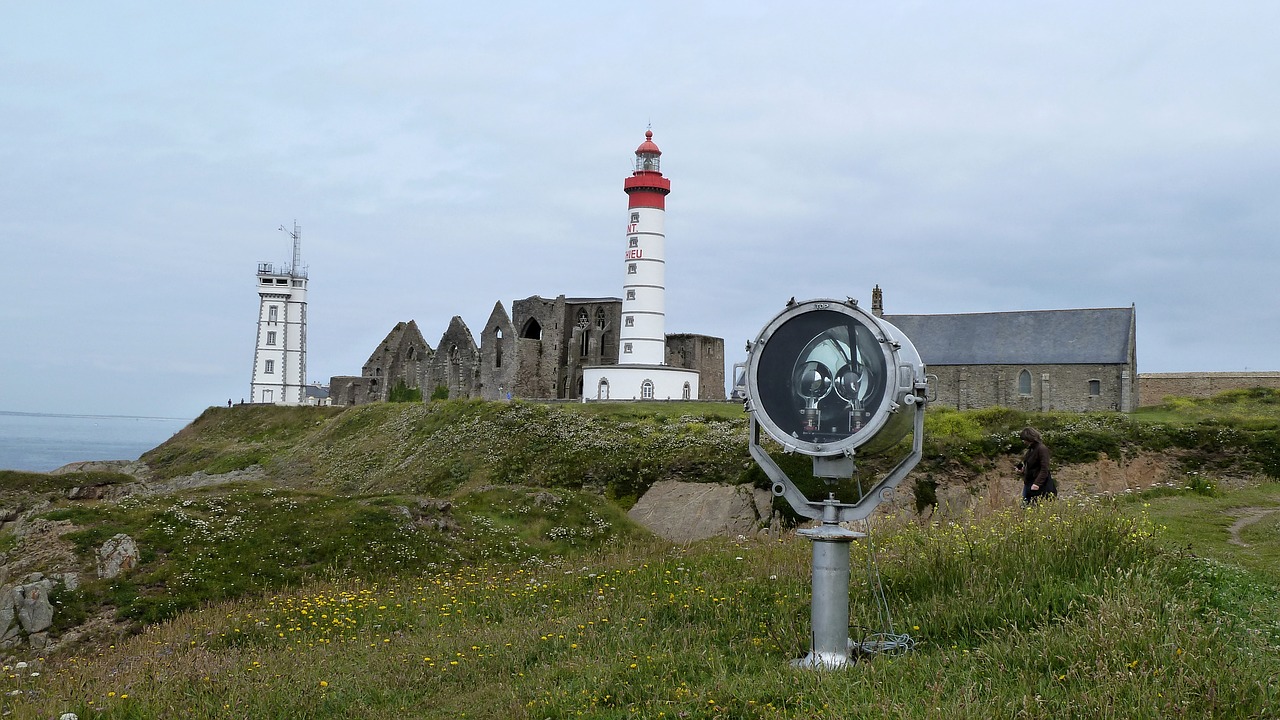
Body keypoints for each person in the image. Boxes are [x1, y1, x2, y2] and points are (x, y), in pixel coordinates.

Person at [1016, 426, 1056, 504]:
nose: (1024, 442)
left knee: (1033, 507)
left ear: (1029, 438)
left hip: (1039, 485)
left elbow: (1045, 469)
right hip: (1029, 482)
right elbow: (1031, 466)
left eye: (1024, 439)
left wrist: (1037, 484)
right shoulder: (1030, 450)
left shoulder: (1041, 449)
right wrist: (1023, 470)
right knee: (1025, 508)